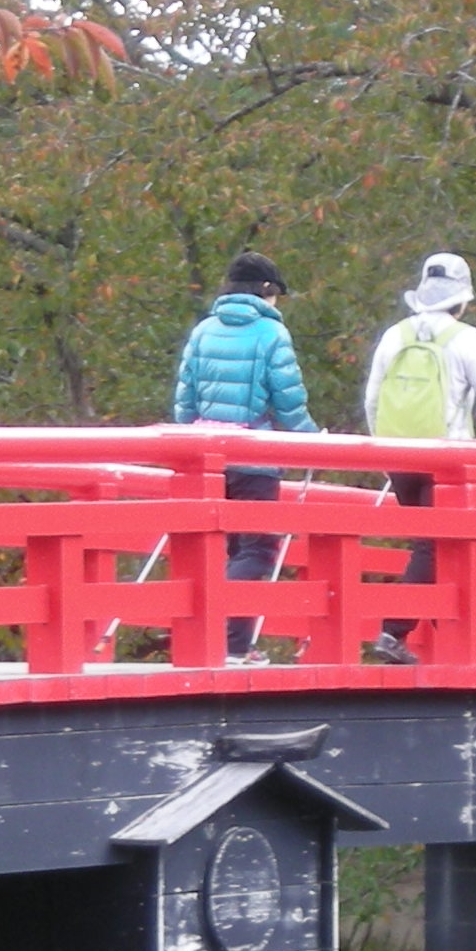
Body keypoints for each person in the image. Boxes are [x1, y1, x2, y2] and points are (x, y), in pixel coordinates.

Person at [362, 251, 476, 666]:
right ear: (462, 298)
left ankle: (442, 639)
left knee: (429, 547)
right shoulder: (466, 339)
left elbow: (372, 400)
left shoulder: (395, 335)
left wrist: (384, 447)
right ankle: (395, 631)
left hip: (398, 456)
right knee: (437, 549)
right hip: (447, 463)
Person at [171, 250, 319, 663]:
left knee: (220, 548)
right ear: (267, 292)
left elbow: (184, 402)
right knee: (256, 551)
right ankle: (230, 642)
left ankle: (215, 639)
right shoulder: (272, 335)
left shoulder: (203, 331)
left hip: (206, 458)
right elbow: (288, 402)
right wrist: (311, 438)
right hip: (254, 457)